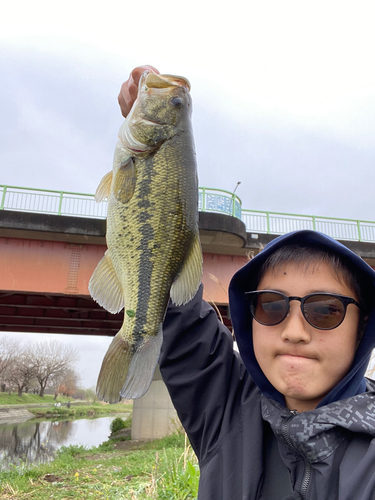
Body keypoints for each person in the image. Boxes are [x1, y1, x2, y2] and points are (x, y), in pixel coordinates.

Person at [118, 67, 375, 500]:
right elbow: (176, 307)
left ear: (362, 324)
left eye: (325, 310)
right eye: (272, 306)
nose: (295, 330)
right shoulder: (226, 411)